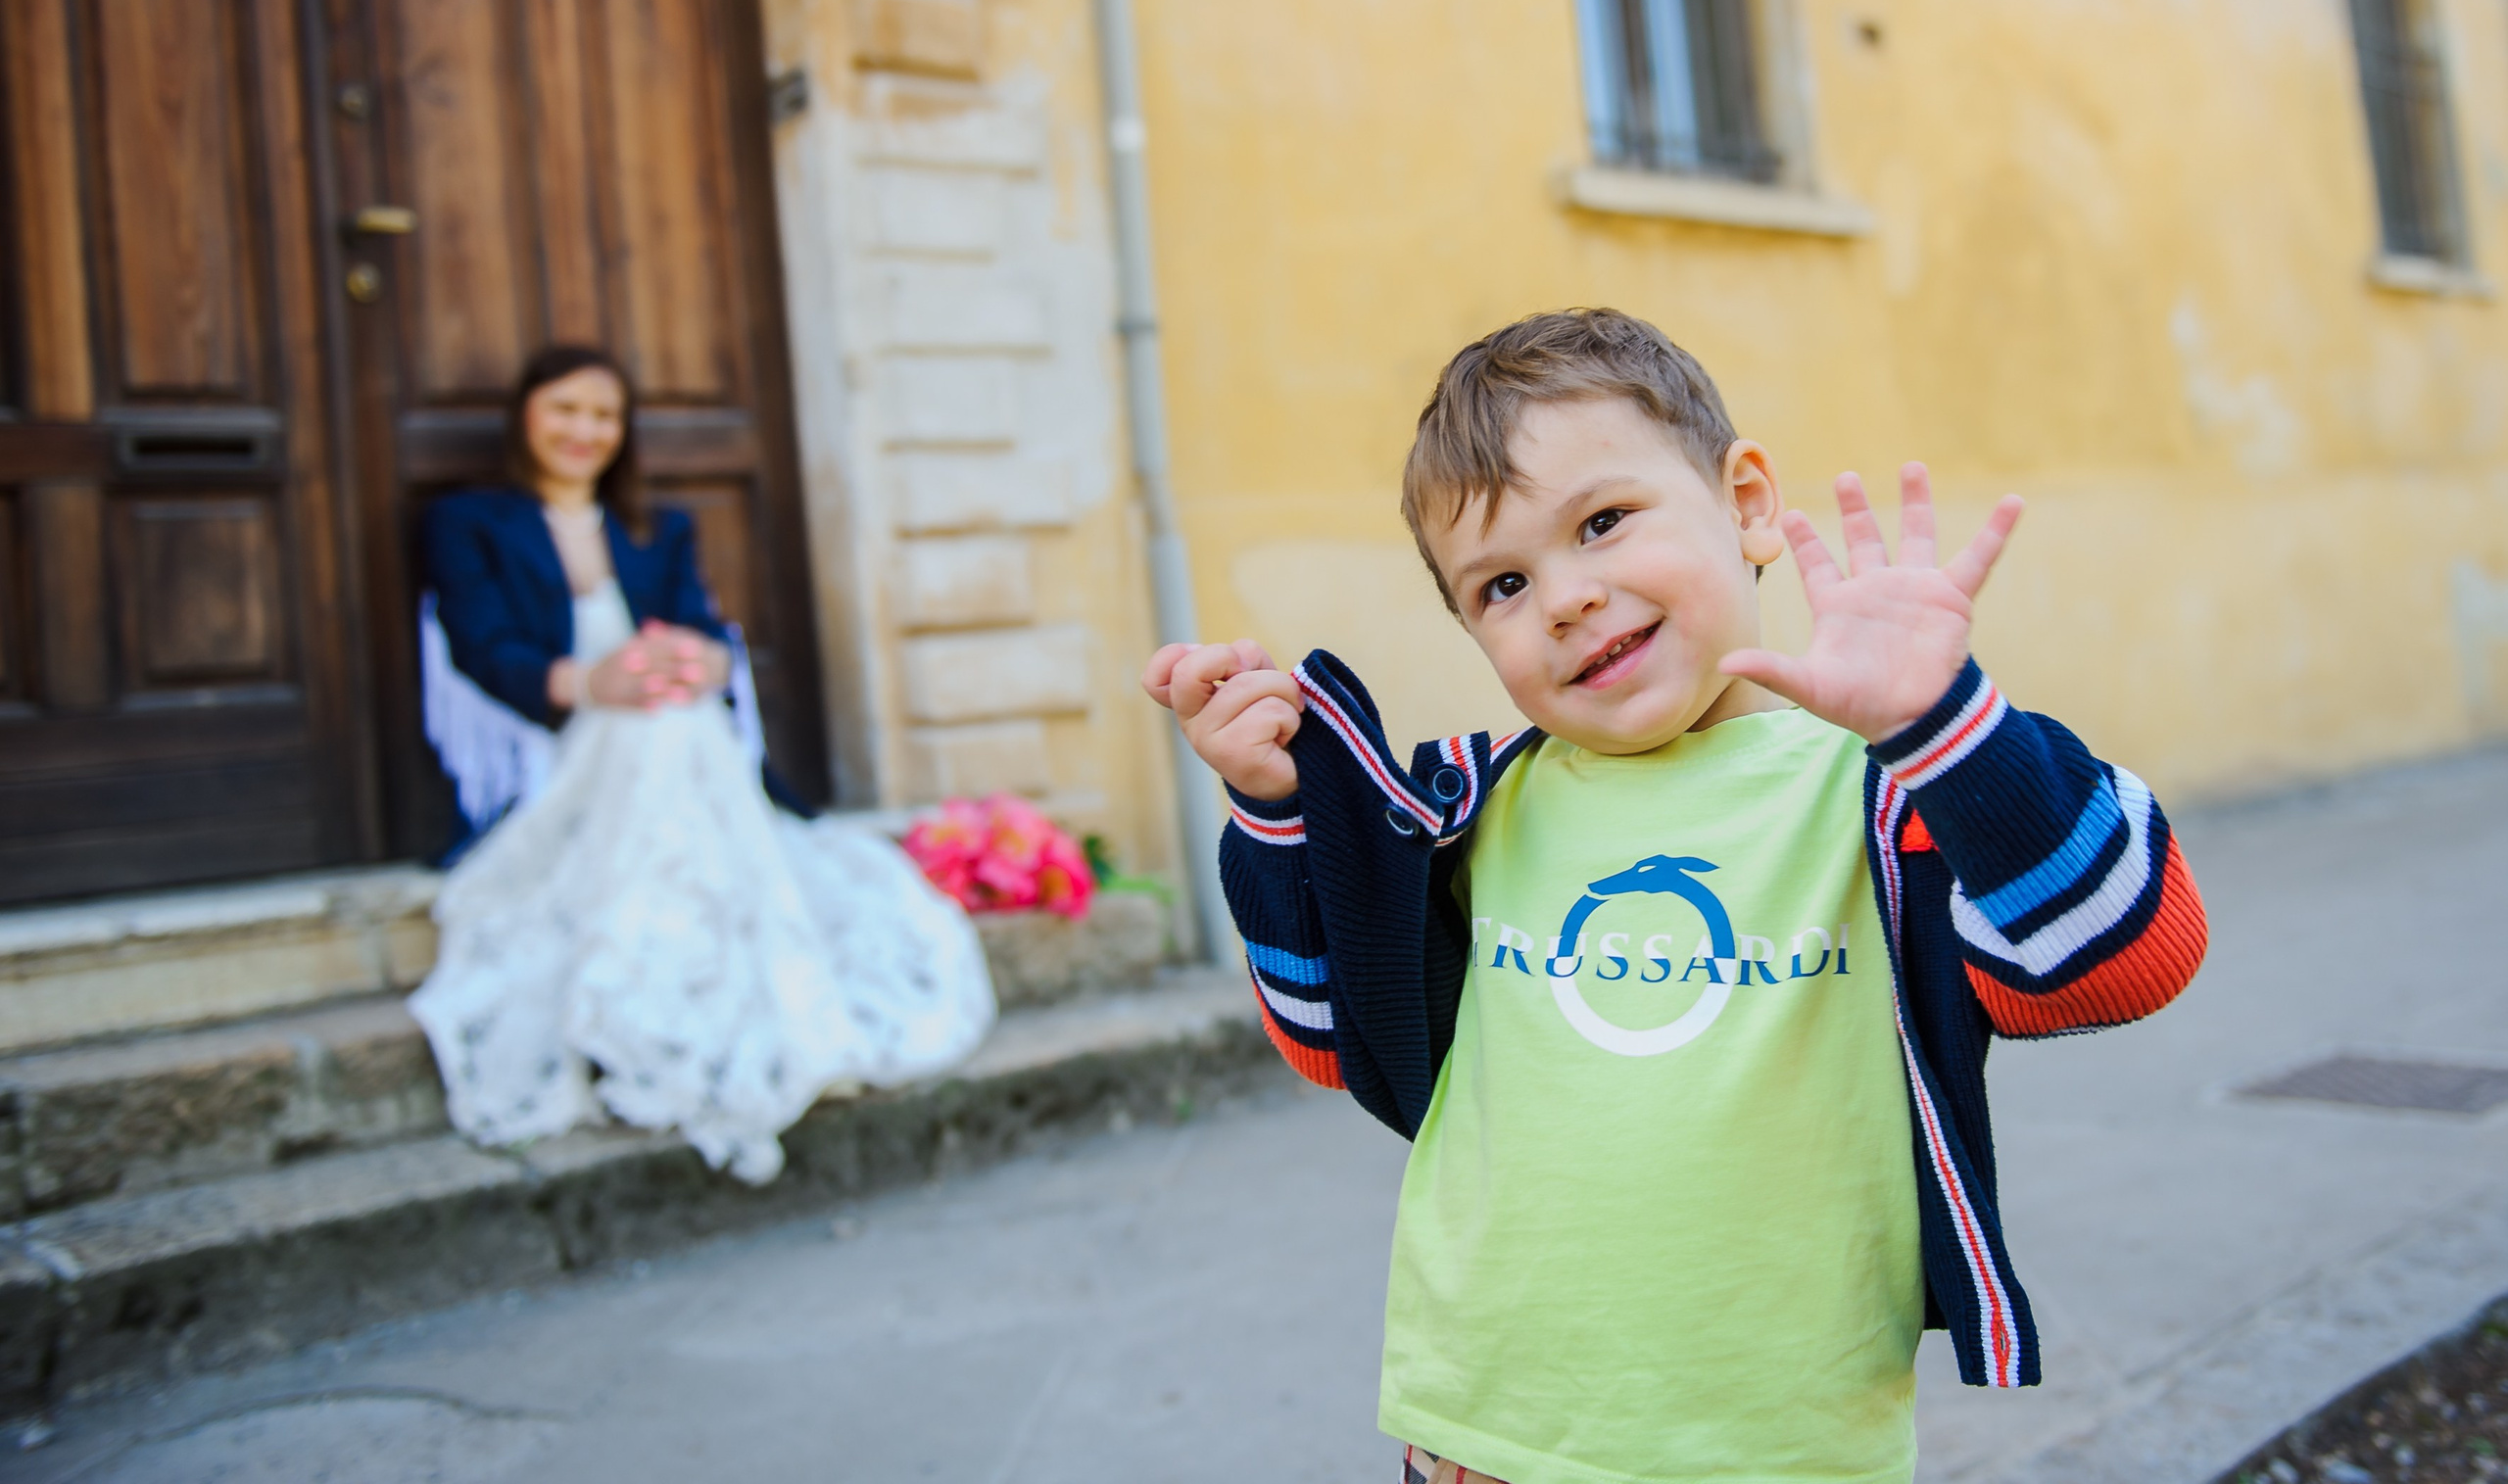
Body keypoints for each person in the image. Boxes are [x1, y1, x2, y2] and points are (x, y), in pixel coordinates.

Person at [1143, 310, 2208, 1484]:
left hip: (1774, 1449)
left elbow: (2132, 953)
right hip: (1483, 1434)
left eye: (1601, 523)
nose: (1563, 598)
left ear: (1746, 501)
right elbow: (1334, 1043)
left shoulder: (1883, 800)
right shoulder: (1463, 809)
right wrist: (1279, 815)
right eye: (1501, 584)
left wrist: (1945, 726)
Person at [413, 344, 995, 1184]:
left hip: (662, 725)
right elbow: (481, 645)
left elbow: (707, 636)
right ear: (526, 417)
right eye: (565, 410)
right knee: (658, 726)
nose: (585, 430)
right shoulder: (469, 521)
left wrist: (692, 665)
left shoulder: (658, 525)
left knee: (668, 721)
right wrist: (590, 683)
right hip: (560, 730)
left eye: (603, 415)